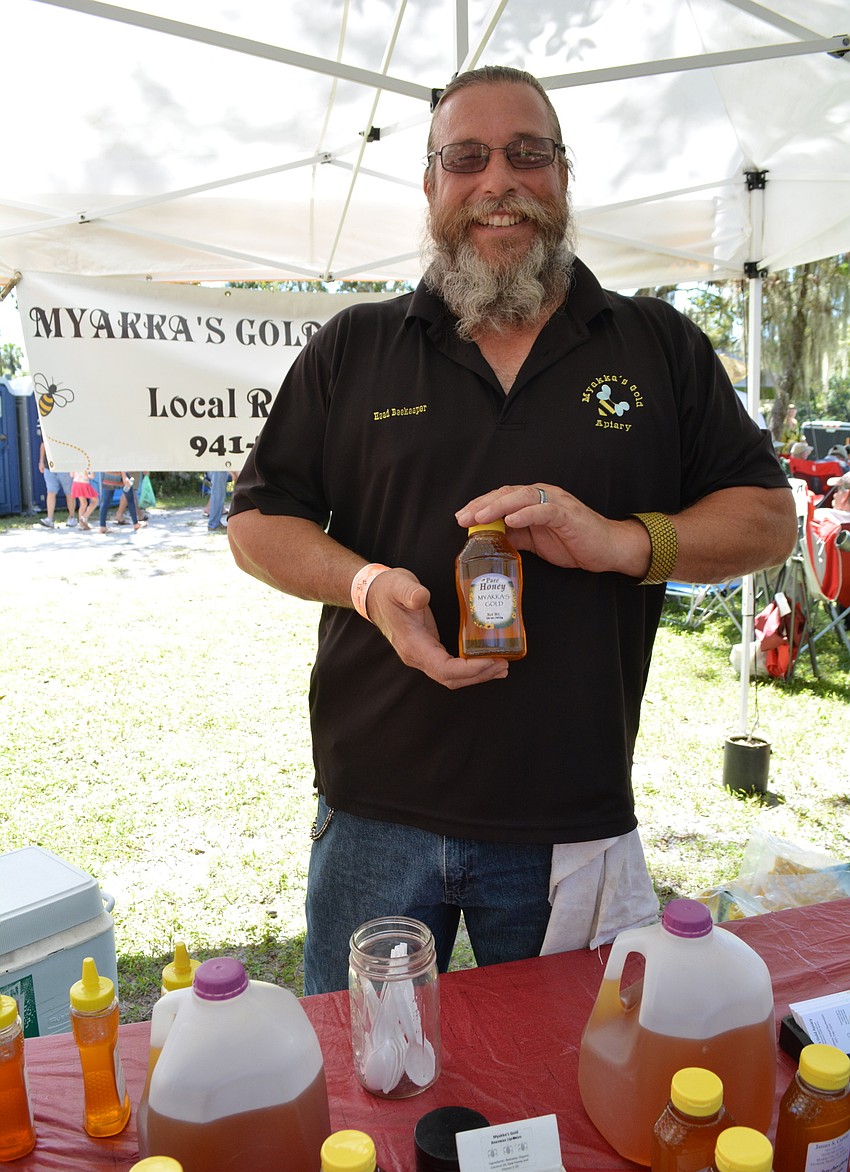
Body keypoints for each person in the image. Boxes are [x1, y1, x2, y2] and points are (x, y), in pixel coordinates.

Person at [227, 65, 797, 995]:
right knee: (369, 1068)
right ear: (430, 185)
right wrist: (367, 586)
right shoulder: (354, 346)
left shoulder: (656, 343)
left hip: (570, 816)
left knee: (573, 1069)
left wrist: (625, 542)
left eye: (528, 153)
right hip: (375, 808)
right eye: (467, 157)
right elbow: (256, 519)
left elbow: (768, 518)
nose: (499, 180)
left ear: (563, 175)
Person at [38, 440, 76, 528]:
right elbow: (43, 444)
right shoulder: (46, 431)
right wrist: (41, 461)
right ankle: (49, 518)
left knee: (69, 493)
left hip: (65, 466)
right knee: (51, 492)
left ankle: (72, 517)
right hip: (49, 466)